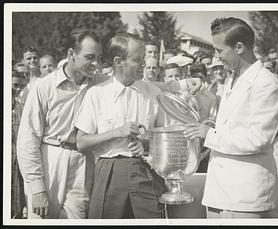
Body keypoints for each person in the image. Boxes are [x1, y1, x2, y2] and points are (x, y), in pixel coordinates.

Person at [184, 17, 278, 218]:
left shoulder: (266, 84)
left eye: (219, 50)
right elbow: (230, 122)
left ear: (239, 47)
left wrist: (209, 134)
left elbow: (258, 139)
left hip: (245, 196)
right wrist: (209, 124)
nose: (216, 57)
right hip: (218, 192)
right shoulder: (231, 79)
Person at [74, 33, 167, 219]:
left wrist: (147, 144)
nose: (144, 63)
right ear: (119, 62)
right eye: (137, 59)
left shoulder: (154, 94)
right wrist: (116, 132)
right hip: (109, 173)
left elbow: (167, 138)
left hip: (147, 173)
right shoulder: (97, 94)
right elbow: (81, 142)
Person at [17, 29, 104, 219]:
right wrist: (37, 188)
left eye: (99, 57)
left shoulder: (100, 83)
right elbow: (27, 139)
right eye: (89, 57)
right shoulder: (44, 86)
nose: (95, 64)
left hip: (84, 164)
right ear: (71, 54)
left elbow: (132, 84)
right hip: (49, 162)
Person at [11, 70, 27, 218]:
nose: (17, 90)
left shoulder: (23, 109)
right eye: (14, 85)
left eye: (20, 86)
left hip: (19, 167)